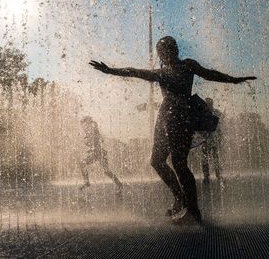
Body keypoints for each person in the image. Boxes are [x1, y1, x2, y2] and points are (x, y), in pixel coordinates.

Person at [89, 36, 256, 223]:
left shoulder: (182, 67)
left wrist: (234, 80)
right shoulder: (170, 70)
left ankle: (192, 211)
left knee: (177, 163)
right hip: (167, 119)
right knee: (158, 161)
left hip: (179, 118)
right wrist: (110, 70)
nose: (164, 54)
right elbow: (135, 72)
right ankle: (181, 199)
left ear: (171, 51)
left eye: (165, 50)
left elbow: (209, 74)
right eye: (163, 51)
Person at [78, 116, 123, 192]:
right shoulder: (89, 132)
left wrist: (92, 123)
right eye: (82, 124)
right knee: (83, 163)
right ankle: (87, 182)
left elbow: (97, 134)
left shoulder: (93, 128)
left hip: (100, 153)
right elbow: (99, 140)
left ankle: (119, 184)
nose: (83, 126)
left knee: (106, 171)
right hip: (97, 153)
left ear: (87, 123)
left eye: (84, 123)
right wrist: (90, 146)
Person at [201, 98, 224, 187]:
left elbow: (220, 127)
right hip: (205, 141)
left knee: (216, 159)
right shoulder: (203, 113)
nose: (208, 105)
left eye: (209, 103)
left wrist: (220, 138)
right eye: (207, 104)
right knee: (205, 159)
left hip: (214, 140)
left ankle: (218, 176)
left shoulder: (215, 113)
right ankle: (206, 177)